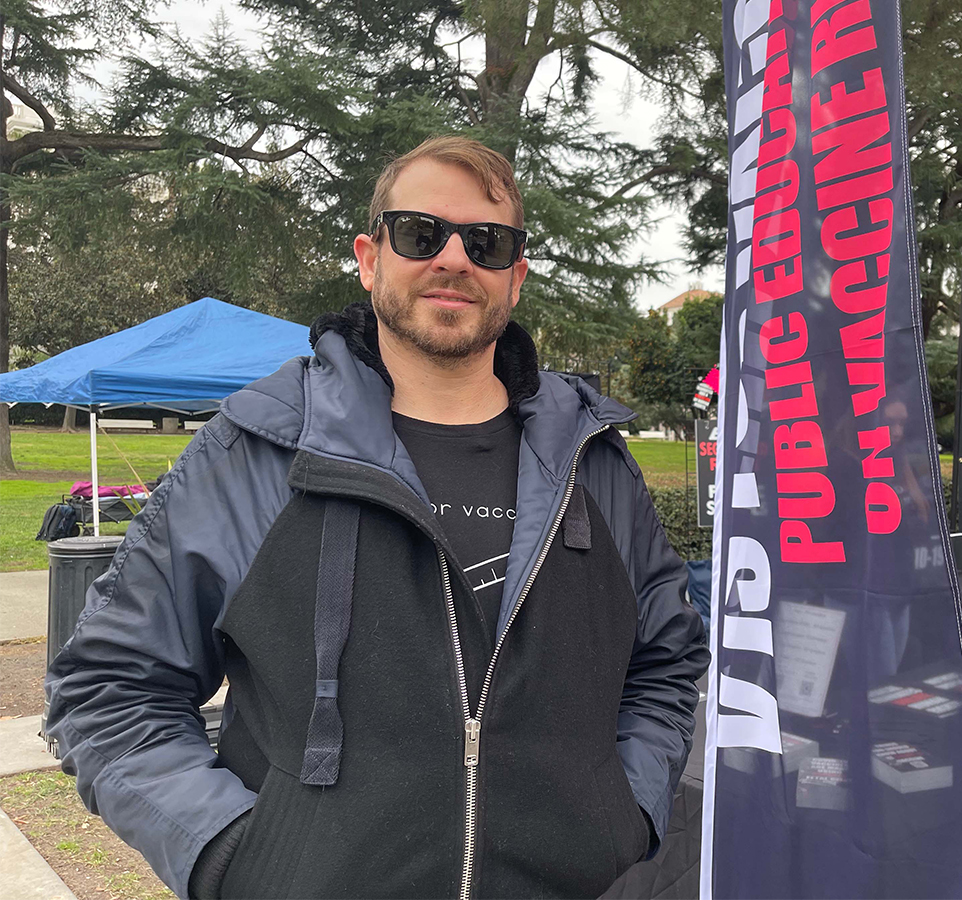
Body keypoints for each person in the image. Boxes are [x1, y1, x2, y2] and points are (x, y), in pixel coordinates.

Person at [45, 135, 710, 900]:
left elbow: (664, 662)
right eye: (420, 233)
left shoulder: (593, 460)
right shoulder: (260, 448)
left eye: (487, 243)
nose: (454, 259)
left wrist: (624, 813)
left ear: (516, 278)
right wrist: (233, 856)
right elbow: (110, 686)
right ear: (370, 258)